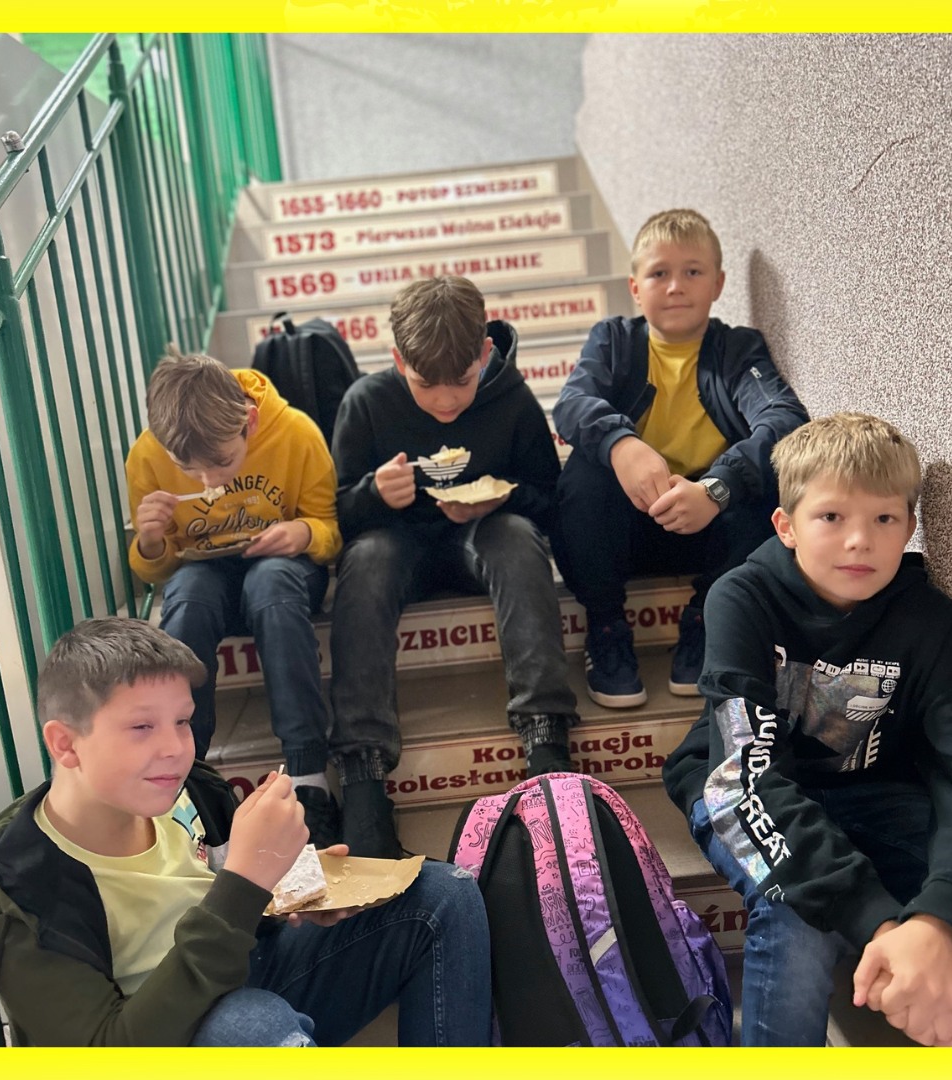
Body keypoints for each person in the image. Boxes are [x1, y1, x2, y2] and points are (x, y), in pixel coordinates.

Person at [0, 618, 492, 1047]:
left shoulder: (189, 792)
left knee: (443, 893)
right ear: (65, 744)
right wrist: (245, 881)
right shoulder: (15, 889)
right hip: (164, 1037)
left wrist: (290, 887)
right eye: (142, 727)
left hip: (246, 974)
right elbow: (110, 1048)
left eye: (183, 721)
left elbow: (227, 900)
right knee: (249, 1025)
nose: (175, 748)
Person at [662, 413, 952, 1047]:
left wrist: (938, 922)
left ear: (910, 527)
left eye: (884, 519)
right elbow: (745, 775)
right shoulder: (740, 598)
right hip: (736, 788)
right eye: (831, 517)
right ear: (785, 526)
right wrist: (880, 925)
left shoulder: (931, 621)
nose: (860, 541)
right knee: (794, 911)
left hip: (877, 788)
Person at [328, 275, 581, 858]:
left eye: (462, 383)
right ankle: (363, 771)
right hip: (397, 545)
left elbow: (551, 499)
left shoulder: (512, 400)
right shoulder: (366, 402)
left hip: (480, 539)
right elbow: (334, 516)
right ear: (398, 361)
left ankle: (546, 738)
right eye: (425, 385)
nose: (445, 403)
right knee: (365, 561)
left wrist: (506, 495)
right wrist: (372, 494)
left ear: (485, 355)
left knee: (517, 539)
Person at [551, 208, 808, 705]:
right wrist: (622, 445)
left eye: (692, 271)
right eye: (659, 274)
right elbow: (572, 403)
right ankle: (605, 626)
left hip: (708, 525)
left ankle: (707, 618)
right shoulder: (614, 341)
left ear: (718, 284)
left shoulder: (737, 349)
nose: (675, 287)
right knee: (583, 475)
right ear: (635, 287)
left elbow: (783, 419)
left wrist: (717, 487)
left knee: (770, 485)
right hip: (625, 529)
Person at [125, 347, 341, 846]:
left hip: (284, 572)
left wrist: (304, 533)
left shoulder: (296, 434)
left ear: (250, 420)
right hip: (204, 574)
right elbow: (155, 570)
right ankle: (188, 778)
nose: (209, 481)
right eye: (188, 469)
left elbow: (330, 533)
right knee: (187, 597)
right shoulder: (147, 455)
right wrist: (151, 540)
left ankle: (308, 776)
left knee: (271, 583)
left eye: (222, 462)